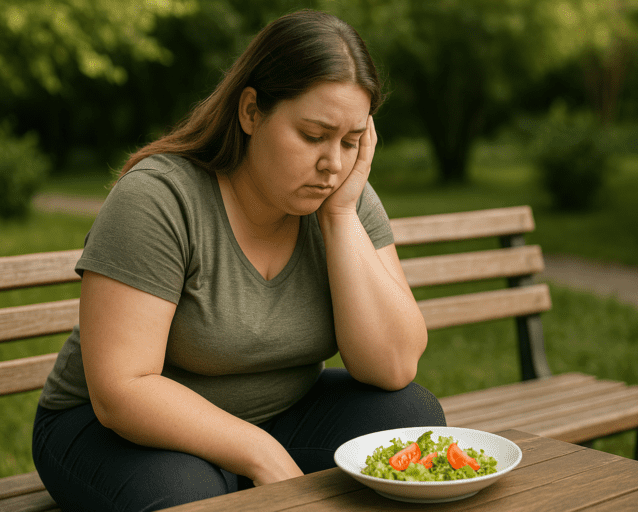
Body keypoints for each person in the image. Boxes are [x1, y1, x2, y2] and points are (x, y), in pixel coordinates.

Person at [32, 9, 446, 511]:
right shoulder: (161, 199)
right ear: (251, 112)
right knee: (196, 499)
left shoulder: (344, 197)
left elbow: (393, 365)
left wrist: (338, 217)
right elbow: (122, 390)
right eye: (314, 136)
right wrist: (258, 452)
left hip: (277, 414)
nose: (333, 163)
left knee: (409, 415)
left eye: (351, 141)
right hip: (112, 429)